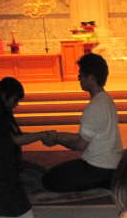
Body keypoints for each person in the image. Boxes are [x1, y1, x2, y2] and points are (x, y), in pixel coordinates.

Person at [42, 53, 122, 192]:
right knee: (60, 172)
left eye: (80, 76)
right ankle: (105, 180)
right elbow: (83, 137)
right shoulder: (106, 99)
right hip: (111, 163)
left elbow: (79, 145)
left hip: (98, 166)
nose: (79, 79)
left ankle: (101, 182)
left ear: (91, 78)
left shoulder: (95, 107)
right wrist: (57, 135)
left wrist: (57, 140)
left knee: (49, 180)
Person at [0, 77, 49, 218]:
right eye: (15, 100)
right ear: (5, 96)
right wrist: (42, 135)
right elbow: (16, 140)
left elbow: (15, 139)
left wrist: (41, 135)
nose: (16, 105)